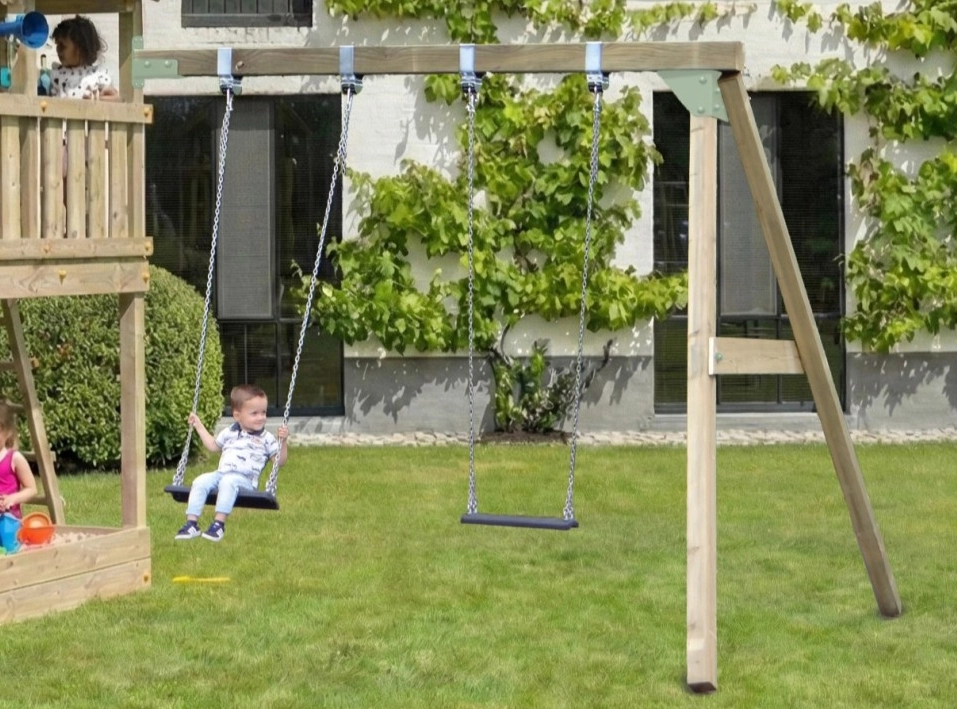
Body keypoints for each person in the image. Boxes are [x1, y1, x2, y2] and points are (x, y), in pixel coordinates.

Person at [174, 385, 289, 543]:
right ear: (237, 415)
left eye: (263, 412)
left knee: (229, 482)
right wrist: (198, 426)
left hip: (245, 481)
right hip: (221, 474)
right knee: (200, 481)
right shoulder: (229, 432)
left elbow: (279, 462)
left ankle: (218, 525)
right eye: (254, 413)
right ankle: (191, 524)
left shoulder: (267, 438)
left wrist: (283, 442)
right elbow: (213, 446)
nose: (261, 417)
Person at [48, 16, 118, 101]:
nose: (58, 49)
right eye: (57, 45)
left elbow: (115, 98)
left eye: (63, 45)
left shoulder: (97, 76)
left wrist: (100, 99)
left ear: (80, 49)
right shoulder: (56, 74)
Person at [0, 402, 38, 520]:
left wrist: (12, 499)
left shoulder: (14, 458)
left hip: (7, 520)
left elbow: (32, 489)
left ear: (8, 432)